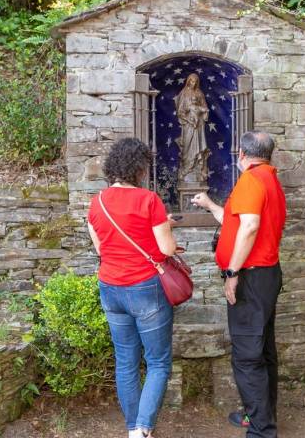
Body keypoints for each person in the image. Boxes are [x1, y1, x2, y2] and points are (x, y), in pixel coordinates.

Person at [191, 131, 286, 438]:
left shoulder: (250, 180)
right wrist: (209, 205)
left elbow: (249, 226)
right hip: (267, 275)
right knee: (263, 350)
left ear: (242, 155)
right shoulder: (269, 179)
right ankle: (260, 414)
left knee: (247, 356)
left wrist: (232, 274)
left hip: (251, 277)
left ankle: (261, 430)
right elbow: (237, 222)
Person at [87, 138, 178, 438]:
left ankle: (133, 430)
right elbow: (165, 248)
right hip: (144, 288)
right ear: (139, 169)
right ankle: (143, 428)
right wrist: (166, 228)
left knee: (125, 361)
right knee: (158, 362)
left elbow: (102, 248)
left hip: (110, 287)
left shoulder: (96, 202)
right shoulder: (149, 200)